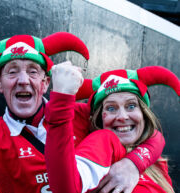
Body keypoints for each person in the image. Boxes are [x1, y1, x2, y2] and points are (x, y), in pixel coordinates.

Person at [0, 31, 167, 193]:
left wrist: (133, 163)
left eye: (33, 71)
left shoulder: (79, 114)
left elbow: (149, 132)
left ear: (46, 82)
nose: (22, 80)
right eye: (11, 71)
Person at [45, 62, 179, 193]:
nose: (122, 116)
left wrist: (134, 163)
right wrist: (62, 98)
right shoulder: (102, 142)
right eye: (111, 108)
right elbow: (66, 188)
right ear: (99, 118)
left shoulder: (156, 161)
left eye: (131, 106)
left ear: (144, 114)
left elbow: (155, 135)